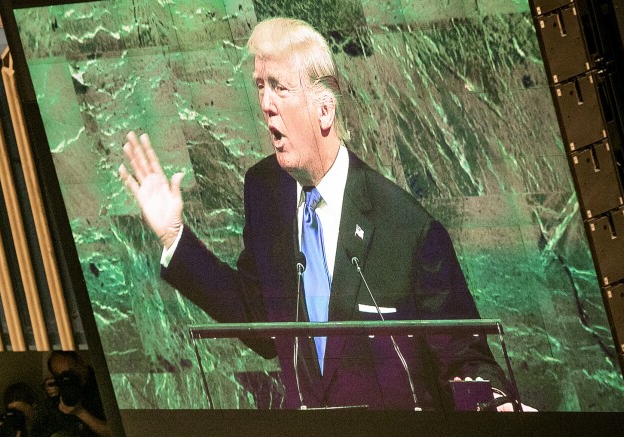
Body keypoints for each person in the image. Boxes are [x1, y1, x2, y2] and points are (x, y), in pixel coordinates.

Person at [118, 17, 513, 411]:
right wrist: (174, 236)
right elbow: (260, 321)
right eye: (260, 86)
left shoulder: (407, 229)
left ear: (324, 110)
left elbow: (465, 356)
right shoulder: (265, 191)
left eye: (279, 87)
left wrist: (494, 402)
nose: (266, 105)